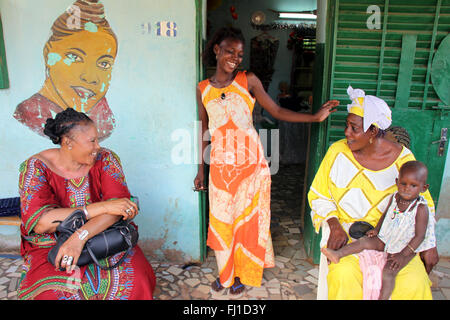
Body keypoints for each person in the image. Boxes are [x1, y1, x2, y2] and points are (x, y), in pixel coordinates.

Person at [194, 27, 339, 296]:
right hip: (220, 168)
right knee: (222, 221)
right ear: (216, 50)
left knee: (247, 222)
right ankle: (225, 274)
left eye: (239, 53)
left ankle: (239, 274)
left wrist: (315, 117)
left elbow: (277, 110)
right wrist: (200, 170)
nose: (235, 57)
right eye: (229, 51)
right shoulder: (203, 89)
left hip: (251, 167)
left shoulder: (247, 80)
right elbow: (204, 130)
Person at [308, 86, 439, 300]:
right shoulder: (337, 152)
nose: (346, 133)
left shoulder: (404, 159)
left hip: (397, 241)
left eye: (354, 127)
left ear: (373, 130)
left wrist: (429, 245)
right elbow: (318, 195)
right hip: (349, 238)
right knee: (343, 275)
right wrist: (333, 224)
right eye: (346, 126)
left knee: (414, 283)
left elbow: (425, 205)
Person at [17, 108, 156, 300]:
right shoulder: (36, 168)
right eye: (92, 141)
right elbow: (41, 222)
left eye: (97, 139)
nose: (98, 146)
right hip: (50, 245)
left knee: (135, 282)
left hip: (106, 236)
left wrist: (79, 237)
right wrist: (103, 207)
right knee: (52, 294)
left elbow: (120, 209)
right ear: (68, 143)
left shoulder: (106, 160)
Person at [321, 160, 435, 300]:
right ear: (397, 182)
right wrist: (377, 229)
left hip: (404, 246)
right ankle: (337, 254)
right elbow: (386, 215)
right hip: (386, 237)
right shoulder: (396, 197)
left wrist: (402, 255)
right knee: (364, 242)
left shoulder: (421, 208)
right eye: (403, 184)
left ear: (424, 187)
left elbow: (420, 236)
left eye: (413, 186)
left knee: (388, 272)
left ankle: (382, 297)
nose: (406, 188)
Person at [13, 0, 117, 141]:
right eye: (74, 57)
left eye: (104, 64)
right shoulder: (29, 113)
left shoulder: (105, 121)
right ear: (48, 54)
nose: (90, 77)